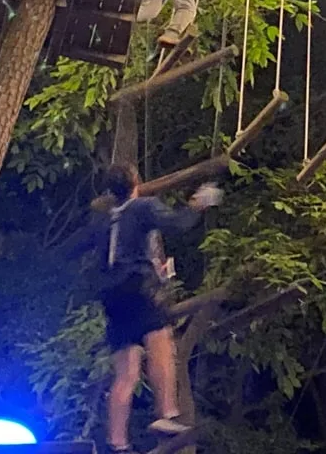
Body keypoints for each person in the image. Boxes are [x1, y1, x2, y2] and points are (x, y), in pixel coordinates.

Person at [73, 163, 223, 452]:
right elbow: (178, 224)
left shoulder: (104, 220)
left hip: (111, 296)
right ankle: (166, 413)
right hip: (135, 287)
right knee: (161, 342)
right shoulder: (142, 207)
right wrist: (198, 203)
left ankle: (118, 442)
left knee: (126, 371)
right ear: (135, 183)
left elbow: (78, 247)